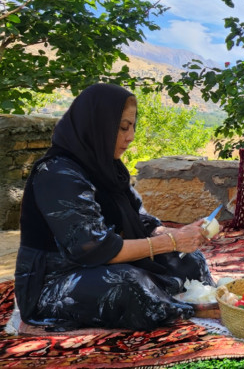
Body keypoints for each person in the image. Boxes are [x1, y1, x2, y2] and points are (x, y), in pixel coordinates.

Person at [15, 84, 215, 331]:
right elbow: (93, 248)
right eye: (122, 127)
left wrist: (177, 236)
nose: (130, 136)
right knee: (127, 283)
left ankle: (189, 300)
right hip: (58, 279)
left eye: (132, 126)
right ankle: (187, 307)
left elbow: (141, 221)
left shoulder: (109, 167)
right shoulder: (58, 173)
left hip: (107, 263)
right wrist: (170, 243)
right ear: (97, 125)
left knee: (189, 259)